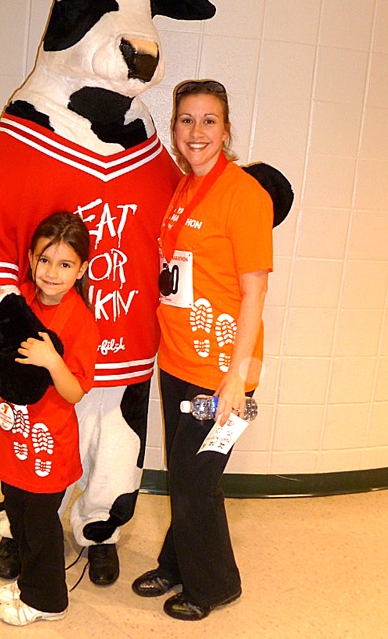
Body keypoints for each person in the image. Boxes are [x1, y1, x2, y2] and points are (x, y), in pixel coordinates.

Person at [132, 80, 273, 621]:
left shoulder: (243, 194)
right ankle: (178, 561)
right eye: (186, 120)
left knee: (198, 480)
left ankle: (214, 583)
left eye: (208, 121)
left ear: (227, 129)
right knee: (184, 472)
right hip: (179, 361)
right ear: (174, 127)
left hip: (221, 373)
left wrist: (236, 377)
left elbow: (255, 290)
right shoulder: (186, 188)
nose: (196, 132)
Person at [0, 211, 100, 626]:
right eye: (44, 260)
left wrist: (52, 361)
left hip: (50, 443)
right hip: (15, 437)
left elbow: (76, 390)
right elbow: (4, 348)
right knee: (17, 516)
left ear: (81, 268)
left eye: (65, 264)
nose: (52, 272)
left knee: (40, 525)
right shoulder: (23, 304)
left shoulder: (81, 320)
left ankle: (47, 600)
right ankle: (29, 582)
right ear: (30, 260)